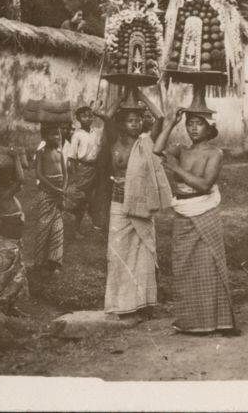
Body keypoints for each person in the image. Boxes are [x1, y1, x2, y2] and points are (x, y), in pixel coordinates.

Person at [153, 92, 238, 336]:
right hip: (184, 213)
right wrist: (171, 123)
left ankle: (215, 321)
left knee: (208, 266)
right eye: (189, 124)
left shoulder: (215, 154)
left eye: (198, 123)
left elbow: (204, 185)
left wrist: (177, 169)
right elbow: (157, 149)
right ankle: (191, 320)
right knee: (185, 266)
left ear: (209, 127)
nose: (193, 128)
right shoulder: (182, 150)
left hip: (204, 210)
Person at [93, 88, 172, 324]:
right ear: (122, 122)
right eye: (130, 119)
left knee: (143, 255)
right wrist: (124, 91)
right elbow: (107, 115)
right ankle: (121, 305)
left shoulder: (145, 143)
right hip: (118, 204)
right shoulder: (114, 141)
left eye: (138, 119)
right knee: (118, 255)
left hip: (141, 207)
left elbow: (160, 118)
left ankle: (143, 304)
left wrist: (139, 94)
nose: (136, 123)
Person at [0, 147, 29, 316]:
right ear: (6, 181)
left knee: (16, 277)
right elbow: (21, 179)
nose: (14, 181)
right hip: (7, 245)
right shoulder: (5, 195)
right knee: (4, 276)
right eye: (10, 178)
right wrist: (17, 159)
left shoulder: (11, 198)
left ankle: (10, 306)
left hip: (15, 244)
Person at [33, 123, 68, 273]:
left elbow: (66, 174)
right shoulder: (41, 152)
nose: (57, 137)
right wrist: (54, 189)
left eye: (58, 134)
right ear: (44, 137)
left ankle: (55, 261)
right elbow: (39, 174)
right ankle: (39, 260)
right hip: (47, 193)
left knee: (58, 228)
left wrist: (63, 189)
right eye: (53, 134)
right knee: (44, 226)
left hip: (59, 194)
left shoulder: (60, 153)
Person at [65, 106, 102, 239]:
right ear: (78, 118)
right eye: (84, 116)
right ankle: (75, 229)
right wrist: (74, 177)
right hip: (82, 169)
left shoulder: (96, 132)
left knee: (92, 199)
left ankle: (95, 226)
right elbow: (71, 158)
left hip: (95, 169)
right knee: (78, 200)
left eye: (90, 115)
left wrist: (100, 114)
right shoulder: (77, 135)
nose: (88, 118)